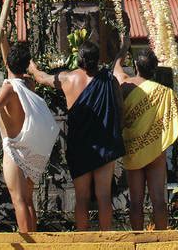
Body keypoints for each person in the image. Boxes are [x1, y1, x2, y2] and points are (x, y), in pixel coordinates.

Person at [29, 41, 125, 231]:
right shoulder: (109, 80)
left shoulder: (67, 79)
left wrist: (32, 67)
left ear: (79, 59)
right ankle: (107, 243)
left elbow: (41, 78)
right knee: (104, 196)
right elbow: (120, 109)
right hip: (104, 144)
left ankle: (82, 242)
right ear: (97, 60)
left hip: (80, 146)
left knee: (81, 198)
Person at [0, 41, 59, 232]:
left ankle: (28, 241)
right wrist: (4, 40)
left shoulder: (9, 89)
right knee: (28, 200)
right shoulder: (28, 84)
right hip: (29, 147)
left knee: (19, 200)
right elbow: (12, 69)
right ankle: (34, 242)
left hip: (14, 149)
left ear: (7, 66)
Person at [113, 40, 178, 230]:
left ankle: (139, 241)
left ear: (135, 67)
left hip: (133, 150)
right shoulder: (165, 92)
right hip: (156, 150)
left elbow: (115, 68)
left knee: (136, 201)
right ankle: (161, 241)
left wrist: (123, 47)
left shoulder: (125, 86)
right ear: (154, 69)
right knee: (158, 200)